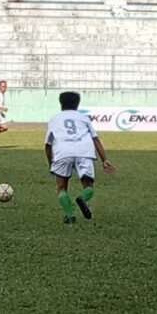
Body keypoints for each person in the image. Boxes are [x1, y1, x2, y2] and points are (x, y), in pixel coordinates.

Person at [45, 91, 115, 224]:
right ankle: (83, 197)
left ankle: (70, 216)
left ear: (61, 104)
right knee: (88, 185)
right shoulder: (84, 118)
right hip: (84, 150)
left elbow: (48, 145)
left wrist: (51, 163)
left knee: (61, 187)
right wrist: (104, 159)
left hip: (63, 151)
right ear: (77, 104)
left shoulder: (54, 119)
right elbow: (95, 139)